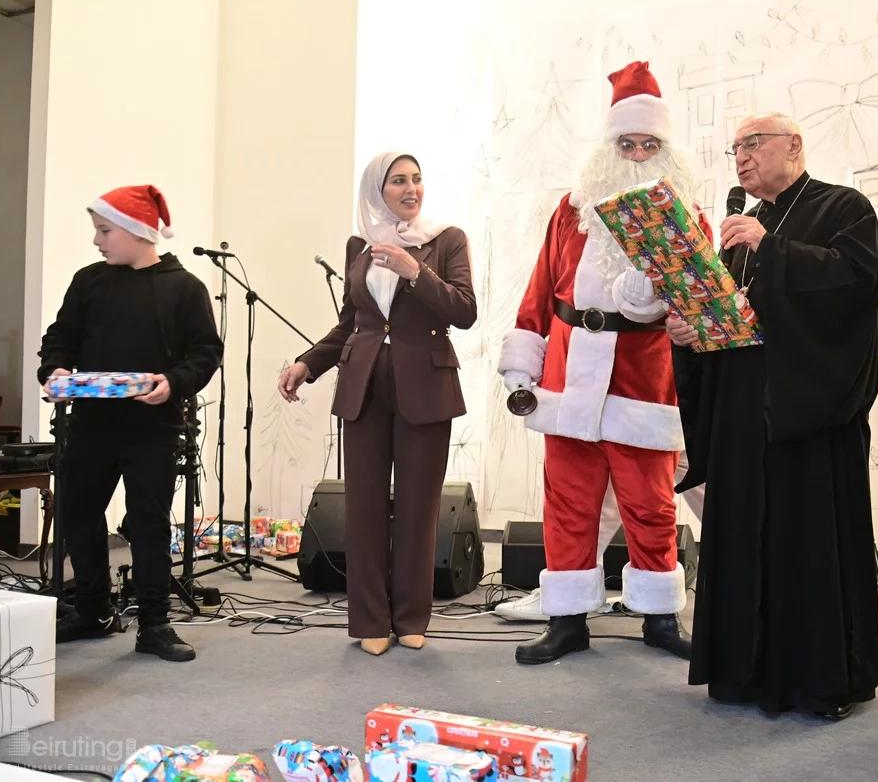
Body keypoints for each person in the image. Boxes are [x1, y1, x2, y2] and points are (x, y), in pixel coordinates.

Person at [669, 111, 878, 719]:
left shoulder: (845, 209)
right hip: (743, 406)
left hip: (809, 410)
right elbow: (730, 312)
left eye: (753, 143)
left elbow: (850, 283)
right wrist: (692, 331)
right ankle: (742, 671)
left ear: (793, 146)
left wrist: (772, 247)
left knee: (808, 540)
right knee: (740, 535)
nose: (741, 156)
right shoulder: (743, 229)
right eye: (735, 147)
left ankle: (821, 681)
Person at [497, 61, 708, 663]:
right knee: (567, 501)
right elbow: (541, 288)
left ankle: (660, 618)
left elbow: (697, 301)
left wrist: (655, 297)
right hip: (568, 373)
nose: (638, 153)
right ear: (608, 146)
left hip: (644, 378)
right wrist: (523, 363)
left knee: (650, 503)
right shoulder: (572, 208)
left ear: (665, 149)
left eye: (649, 143)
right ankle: (566, 621)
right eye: (627, 142)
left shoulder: (688, 217)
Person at [280, 151, 476, 656]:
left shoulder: (446, 239)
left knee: (418, 507)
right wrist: (309, 362)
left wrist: (415, 271)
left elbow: (465, 310)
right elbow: (352, 322)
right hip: (363, 384)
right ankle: (369, 620)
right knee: (364, 508)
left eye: (416, 179)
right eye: (397, 181)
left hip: (426, 386)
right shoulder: (359, 245)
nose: (411, 189)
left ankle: (411, 617)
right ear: (376, 190)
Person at [39, 185, 223, 662]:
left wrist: (174, 383)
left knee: (147, 524)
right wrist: (54, 370)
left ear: (139, 232)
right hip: (91, 425)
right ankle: (93, 610)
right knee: (78, 514)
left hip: (152, 428)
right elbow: (59, 340)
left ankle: (155, 625)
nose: (97, 241)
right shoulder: (88, 282)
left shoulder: (185, 288)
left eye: (105, 231)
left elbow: (205, 353)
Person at [493, 466, 705, 621]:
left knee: (715, 485)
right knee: (611, 494)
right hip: (652, 415)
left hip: (673, 412)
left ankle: (563, 596)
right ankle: (563, 594)